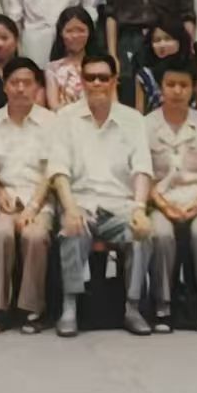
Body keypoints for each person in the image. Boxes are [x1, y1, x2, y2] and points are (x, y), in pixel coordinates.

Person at [46, 52, 154, 338]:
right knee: (72, 228)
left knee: (141, 232)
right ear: (81, 81)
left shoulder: (133, 119)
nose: (96, 83)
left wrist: (139, 208)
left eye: (103, 78)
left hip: (120, 205)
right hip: (80, 202)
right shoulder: (65, 118)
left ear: (114, 81)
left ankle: (132, 307)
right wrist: (69, 208)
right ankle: (69, 306)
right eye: (90, 78)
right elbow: (58, 169)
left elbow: (142, 168)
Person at [142, 58, 197, 334]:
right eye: (171, 84)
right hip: (160, 200)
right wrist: (164, 206)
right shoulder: (145, 125)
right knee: (160, 235)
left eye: (184, 85)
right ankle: (163, 306)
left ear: (193, 88)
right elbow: (145, 175)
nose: (177, 91)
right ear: (161, 87)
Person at [0, 57, 55, 334]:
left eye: (27, 83)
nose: (21, 88)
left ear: (37, 87)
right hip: (4, 199)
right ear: (5, 86)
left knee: (34, 236)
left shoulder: (51, 122)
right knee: (2, 232)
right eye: (14, 82)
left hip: (40, 199)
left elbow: (51, 171)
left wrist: (33, 207)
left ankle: (31, 308)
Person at [135, 17, 197, 116]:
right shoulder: (144, 75)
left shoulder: (195, 72)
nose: (162, 45)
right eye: (156, 40)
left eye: (168, 39)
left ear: (180, 41)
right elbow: (139, 113)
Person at [46, 6, 99, 110]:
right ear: (61, 33)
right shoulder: (52, 68)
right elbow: (53, 104)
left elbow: (112, 100)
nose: (75, 36)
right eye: (69, 31)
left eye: (81, 30)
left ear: (90, 32)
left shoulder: (100, 65)